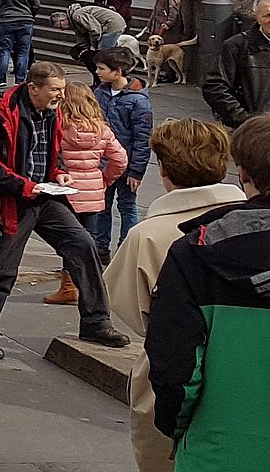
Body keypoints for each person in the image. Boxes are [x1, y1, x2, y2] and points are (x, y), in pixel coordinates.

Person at [0, 61, 130, 359]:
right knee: (0, 268)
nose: (61, 95)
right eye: (54, 90)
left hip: (44, 195)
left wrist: (59, 172)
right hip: (9, 199)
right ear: (33, 88)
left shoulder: (53, 112)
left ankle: (96, 322)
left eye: (62, 89)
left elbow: (51, 153)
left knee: (83, 245)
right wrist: (24, 186)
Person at [104, 119, 243, 472]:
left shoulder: (148, 235)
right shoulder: (251, 223)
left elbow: (130, 307)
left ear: (163, 169)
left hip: (168, 369)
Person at [147, 114, 270, 472]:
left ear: (242, 173)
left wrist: (175, 427)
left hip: (220, 447)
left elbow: (176, 364)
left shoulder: (195, 252)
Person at [44, 84, 128, 304]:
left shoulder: (58, 126)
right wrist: (105, 179)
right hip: (92, 191)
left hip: (65, 190)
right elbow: (120, 159)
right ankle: (90, 289)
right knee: (89, 241)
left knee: (68, 241)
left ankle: (68, 287)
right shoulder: (102, 129)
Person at [91, 45, 153, 256]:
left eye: (101, 68)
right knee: (102, 206)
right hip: (103, 163)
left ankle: (126, 249)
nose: (97, 72)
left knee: (127, 206)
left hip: (126, 165)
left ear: (117, 71)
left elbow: (142, 139)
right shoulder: (100, 92)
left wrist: (136, 171)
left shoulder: (138, 100)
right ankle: (100, 247)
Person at [203, 0, 270, 128]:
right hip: (253, 133)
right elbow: (214, 87)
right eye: (268, 15)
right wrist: (246, 121)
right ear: (256, 17)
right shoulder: (236, 46)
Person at [53, 2, 125, 66]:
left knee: (102, 54)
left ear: (62, 20)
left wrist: (94, 44)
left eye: (60, 26)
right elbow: (82, 39)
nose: (62, 29)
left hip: (112, 25)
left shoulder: (77, 15)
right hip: (107, 25)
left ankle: (113, 70)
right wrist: (83, 48)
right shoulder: (74, 23)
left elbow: (95, 30)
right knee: (101, 53)